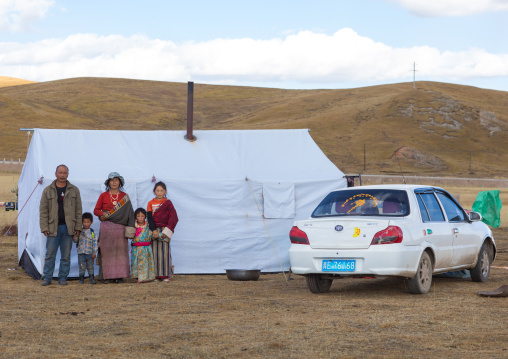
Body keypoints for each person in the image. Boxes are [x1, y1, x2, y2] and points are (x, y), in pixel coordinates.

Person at [39, 164, 82, 286]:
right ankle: (47, 277)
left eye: (64, 173)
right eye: (60, 173)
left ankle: (63, 278)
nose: (62, 175)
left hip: (68, 228)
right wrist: (44, 227)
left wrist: (78, 227)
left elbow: (79, 210)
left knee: (66, 255)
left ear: (67, 174)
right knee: (50, 254)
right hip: (53, 228)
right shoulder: (47, 190)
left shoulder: (74, 190)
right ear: (55, 174)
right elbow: (43, 210)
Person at [94, 172, 135, 284]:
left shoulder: (124, 197)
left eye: (116, 180)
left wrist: (131, 229)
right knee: (107, 253)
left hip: (120, 229)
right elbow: (96, 210)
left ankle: (119, 276)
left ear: (120, 182)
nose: (114, 182)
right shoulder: (103, 195)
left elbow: (130, 213)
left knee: (120, 253)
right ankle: (107, 277)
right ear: (108, 183)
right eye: (112, 180)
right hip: (107, 229)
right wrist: (105, 214)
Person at [147, 181, 178, 282]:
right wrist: (153, 230)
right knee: (154, 252)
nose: (159, 192)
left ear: (165, 191)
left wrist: (167, 231)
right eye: (157, 190)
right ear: (154, 191)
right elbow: (150, 218)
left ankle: (166, 275)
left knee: (165, 252)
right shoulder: (150, 203)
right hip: (154, 230)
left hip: (165, 230)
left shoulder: (168, 203)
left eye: (161, 190)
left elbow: (173, 217)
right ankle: (156, 275)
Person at [131, 208, 155, 283]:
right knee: (136, 263)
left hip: (146, 249)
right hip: (136, 249)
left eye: (142, 216)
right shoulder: (133, 226)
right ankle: (137, 277)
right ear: (135, 217)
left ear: (145, 216)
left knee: (145, 263)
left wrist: (163, 237)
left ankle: (145, 277)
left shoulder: (148, 225)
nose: (140, 218)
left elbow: (152, 234)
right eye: (138, 216)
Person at [75, 212, 98, 284]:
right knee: (82, 267)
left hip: (89, 253)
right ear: (81, 222)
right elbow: (75, 241)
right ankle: (81, 280)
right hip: (81, 253)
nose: (86, 224)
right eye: (84, 222)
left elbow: (95, 243)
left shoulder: (92, 232)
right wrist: (75, 237)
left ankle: (91, 279)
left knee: (90, 266)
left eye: (88, 222)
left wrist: (94, 252)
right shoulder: (79, 231)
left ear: (91, 222)